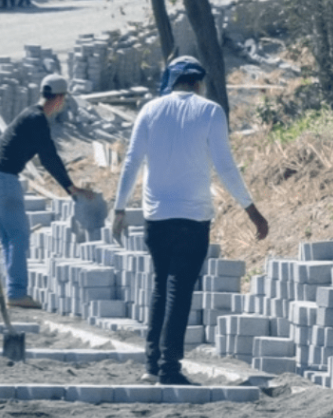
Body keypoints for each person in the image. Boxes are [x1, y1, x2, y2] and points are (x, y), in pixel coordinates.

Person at [112, 56, 269, 386]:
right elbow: (225, 166)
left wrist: (120, 208)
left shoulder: (150, 111)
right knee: (179, 292)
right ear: (199, 83)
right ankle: (170, 368)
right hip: (193, 218)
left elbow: (131, 162)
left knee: (160, 288)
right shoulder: (210, 111)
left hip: (156, 218)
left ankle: (152, 366)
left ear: (172, 82)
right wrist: (251, 209)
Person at [0, 74, 94, 309]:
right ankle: (17, 293)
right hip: (2, 177)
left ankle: (12, 290)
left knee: (10, 237)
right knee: (20, 236)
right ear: (60, 98)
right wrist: (70, 187)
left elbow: (47, 156)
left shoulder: (30, 114)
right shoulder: (37, 119)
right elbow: (49, 157)